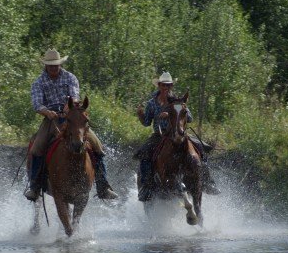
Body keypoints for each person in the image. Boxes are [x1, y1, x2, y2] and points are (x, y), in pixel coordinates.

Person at [24, 48, 118, 201]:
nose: (54, 68)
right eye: (51, 65)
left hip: (72, 117)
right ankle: (35, 186)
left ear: (60, 64)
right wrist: (47, 112)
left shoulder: (70, 78)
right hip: (51, 119)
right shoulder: (38, 82)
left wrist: (71, 105)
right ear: (46, 66)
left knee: (97, 147)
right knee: (37, 147)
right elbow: (37, 104)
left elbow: (74, 95)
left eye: (56, 65)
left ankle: (103, 186)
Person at [135, 71, 220, 201]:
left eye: (168, 85)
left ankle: (208, 182)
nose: (166, 88)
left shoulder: (178, 101)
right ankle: (146, 187)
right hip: (159, 134)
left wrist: (174, 114)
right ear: (159, 86)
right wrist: (141, 115)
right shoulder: (152, 103)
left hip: (178, 133)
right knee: (144, 154)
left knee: (200, 149)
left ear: (171, 87)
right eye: (163, 85)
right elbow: (146, 122)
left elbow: (189, 118)